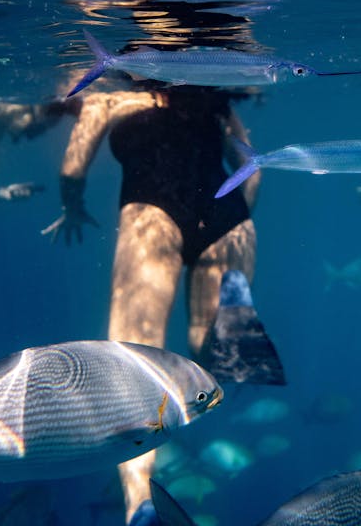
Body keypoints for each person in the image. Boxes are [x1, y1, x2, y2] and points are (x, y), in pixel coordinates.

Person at [43, 83, 266, 525]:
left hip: (151, 216)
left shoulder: (106, 97)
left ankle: (139, 506)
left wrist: (72, 207)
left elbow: (72, 167)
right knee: (210, 351)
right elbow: (252, 168)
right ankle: (230, 317)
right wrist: (238, 219)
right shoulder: (215, 99)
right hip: (227, 217)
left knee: (134, 361)